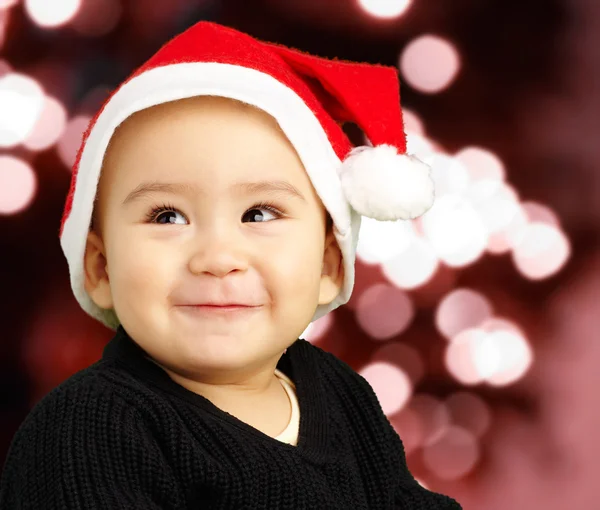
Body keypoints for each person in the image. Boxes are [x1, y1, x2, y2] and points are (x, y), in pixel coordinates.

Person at [0, 21, 462, 509]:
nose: (217, 259)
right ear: (101, 270)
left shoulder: (338, 392)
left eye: (259, 214)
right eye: (167, 216)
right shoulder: (88, 428)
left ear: (329, 265)